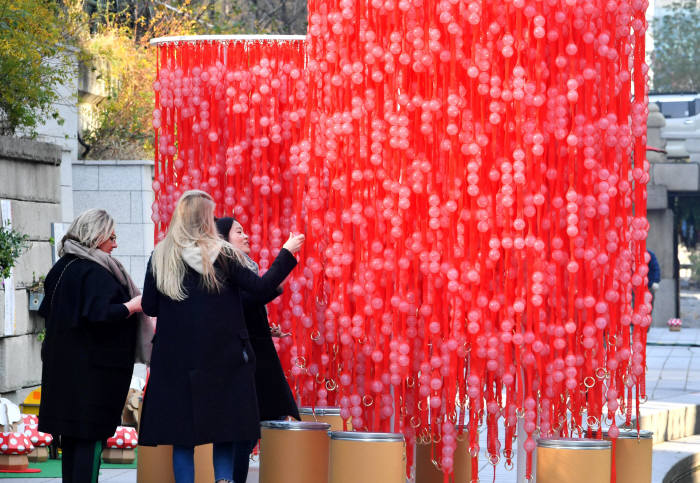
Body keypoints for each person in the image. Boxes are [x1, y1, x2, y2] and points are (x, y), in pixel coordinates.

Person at [138, 190, 304, 483]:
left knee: (182, 437)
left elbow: (150, 305)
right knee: (226, 430)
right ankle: (223, 481)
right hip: (223, 358)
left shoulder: (161, 256)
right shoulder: (222, 254)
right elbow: (261, 287)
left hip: (175, 362)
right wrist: (287, 252)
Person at [38, 209, 144, 483]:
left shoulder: (61, 268)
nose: (115, 244)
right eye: (111, 236)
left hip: (63, 371)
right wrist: (132, 306)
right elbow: (100, 314)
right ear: (96, 236)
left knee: (72, 442)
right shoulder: (94, 271)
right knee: (88, 442)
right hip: (92, 377)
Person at [216, 217, 301, 483]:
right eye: (238, 231)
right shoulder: (225, 268)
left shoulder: (244, 266)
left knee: (252, 427)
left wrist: (265, 326)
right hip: (242, 361)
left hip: (255, 356)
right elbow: (252, 295)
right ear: (224, 239)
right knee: (244, 430)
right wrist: (287, 253)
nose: (246, 236)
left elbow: (248, 303)